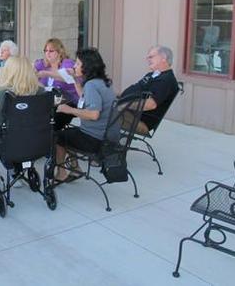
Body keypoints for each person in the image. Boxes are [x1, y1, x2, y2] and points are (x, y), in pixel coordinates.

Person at [0, 56, 45, 186]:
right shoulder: (40, 91)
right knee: (17, 130)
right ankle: (16, 172)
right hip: (32, 140)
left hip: (6, 140)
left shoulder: (3, 92)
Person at [54, 48, 117, 182]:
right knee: (68, 133)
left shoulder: (92, 85)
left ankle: (61, 172)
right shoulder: (101, 82)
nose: (74, 66)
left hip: (96, 139)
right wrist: (76, 80)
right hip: (106, 135)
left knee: (58, 136)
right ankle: (75, 169)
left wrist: (68, 110)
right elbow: (85, 97)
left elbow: (94, 114)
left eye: (77, 63)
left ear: (86, 66)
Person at [120, 45, 179, 134]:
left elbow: (151, 104)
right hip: (130, 114)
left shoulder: (166, 80)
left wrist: (123, 105)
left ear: (163, 58)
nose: (147, 59)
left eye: (151, 57)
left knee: (101, 113)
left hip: (140, 122)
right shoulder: (152, 75)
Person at [33, 38, 79, 130]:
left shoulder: (67, 63)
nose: (47, 53)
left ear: (59, 52)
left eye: (51, 51)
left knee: (49, 124)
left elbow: (67, 78)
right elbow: (28, 69)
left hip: (69, 102)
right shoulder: (43, 64)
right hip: (50, 102)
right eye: (45, 50)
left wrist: (46, 73)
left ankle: (52, 140)